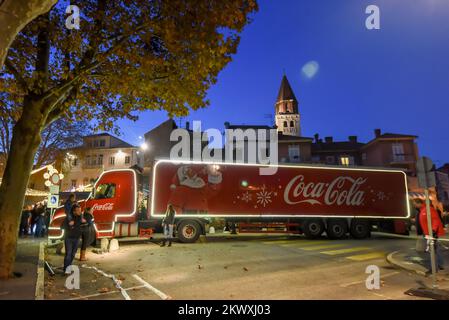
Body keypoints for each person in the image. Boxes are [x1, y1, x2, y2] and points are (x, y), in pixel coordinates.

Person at [418, 200, 445, 272]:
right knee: (436, 250)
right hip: (428, 233)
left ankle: (434, 268)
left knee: (432, 250)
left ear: (420, 203)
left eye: (415, 204)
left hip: (431, 234)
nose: (414, 205)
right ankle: (439, 265)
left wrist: (433, 231)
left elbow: (435, 220)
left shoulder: (429, 209)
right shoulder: (423, 210)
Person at [62, 203, 85, 274]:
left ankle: (68, 266)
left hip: (77, 238)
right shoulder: (69, 217)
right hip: (69, 238)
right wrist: (69, 225)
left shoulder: (81, 217)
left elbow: (84, 225)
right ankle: (66, 269)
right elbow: (62, 226)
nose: (79, 212)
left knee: (73, 254)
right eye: (78, 210)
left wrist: (85, 223)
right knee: (68, 254)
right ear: (74, 211)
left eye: (80, 210)